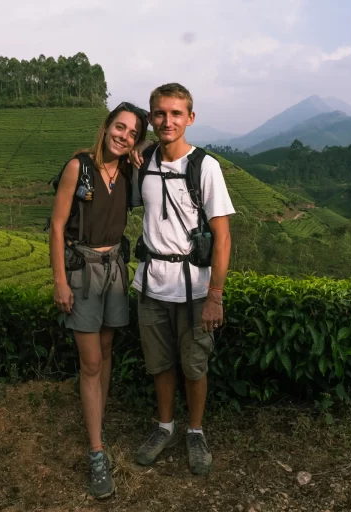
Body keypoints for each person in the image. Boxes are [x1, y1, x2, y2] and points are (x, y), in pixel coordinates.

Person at [130, 83, 235, 475]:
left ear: (190, 117)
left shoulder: (205, 167)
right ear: (150, 118)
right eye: (160, 113)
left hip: (193, 287)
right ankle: (165, 426)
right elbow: (101, 158)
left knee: (194, 365)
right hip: (151, 283)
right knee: (159, 363)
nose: (167, 121)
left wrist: (215, 295)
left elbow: (222, 237)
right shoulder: (144, 160)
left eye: (176, 113)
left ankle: (195, 430)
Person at [49, 102, 147, 498]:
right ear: (106, 126)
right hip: (83, 270)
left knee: (106, 350)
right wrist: (60, 281)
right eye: (119, 127)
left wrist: (140, 154)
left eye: (132, 133)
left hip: (115, 268)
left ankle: (97, 422)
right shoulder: (79, 167)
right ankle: (96, 453)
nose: (124, 136)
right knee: (91, 362)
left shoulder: (127, 172)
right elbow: (57, 226)